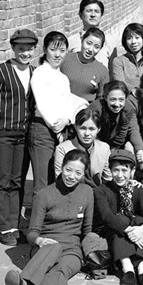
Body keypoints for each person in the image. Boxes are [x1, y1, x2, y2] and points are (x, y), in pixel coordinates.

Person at [4, 149, 94, 285]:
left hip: (72, 250)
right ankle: (22, 283)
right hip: (46, 247)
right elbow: (32, 232)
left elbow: (87, 229)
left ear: (84, 174)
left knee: (63, 267)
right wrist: (39, 240)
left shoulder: (87, 192)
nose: (71, 176)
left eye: (78, 173)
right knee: (55, 247)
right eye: (68, 170)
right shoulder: (44, 195)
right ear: (62, 167)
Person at [0, 28, 38, 246]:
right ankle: (4, 228)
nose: (25, 53)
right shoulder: (1, 71)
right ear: (13, 48)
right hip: (2, 135)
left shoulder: (35, 72)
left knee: (17, 182)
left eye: (29, 49)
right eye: (21, 48)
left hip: (24, 135)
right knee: (2, 182)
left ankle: (15, 226)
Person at [30, 31, 87, 196]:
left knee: (56, 178)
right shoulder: (40, 73)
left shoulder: (62, 77)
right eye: (53, 49)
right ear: (44, 50)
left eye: (62, 51)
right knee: (42, 182)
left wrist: (68, 119)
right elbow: (43, 104)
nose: (57, 55)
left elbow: (68, 103)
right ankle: (38, 213)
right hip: (43, 129)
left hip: (60, 129)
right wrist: (57, 128)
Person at [93, 150, 143, 285]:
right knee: (121, 219)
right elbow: (107, 216)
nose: (120, 175)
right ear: (110, 170)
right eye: (116, 170)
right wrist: (130, 231)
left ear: (132, 171)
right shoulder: (101, 190)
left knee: (139, 220)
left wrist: (141, 230)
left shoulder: (139, 189)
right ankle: (127, 268)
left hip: (135, 230)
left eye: (124, 170)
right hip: (112, 231)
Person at [54, 108, 111, 188]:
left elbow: (107, 178)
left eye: (92, 129)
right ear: (75, 127)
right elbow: (60, 179)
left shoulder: (104, 148)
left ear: (98, 129)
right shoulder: (62, 149)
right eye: (83, 128)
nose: (87, 133)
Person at [61, 27, 109, 103]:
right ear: (82, 40)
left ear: (100, 49)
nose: (90, 49)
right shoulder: (64, 59)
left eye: (96, 47)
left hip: (85, 109)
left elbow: (102, 99)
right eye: (88, 43)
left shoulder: (102, 71)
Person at [67, 0, 116, 68]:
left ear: (101, 15)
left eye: (97, 11)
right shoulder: (71, 41)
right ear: (80, 15)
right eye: (89, 11)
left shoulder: (109, 40)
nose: (93, 15)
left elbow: (113, 69)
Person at [89, 81, 137, 150]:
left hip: (112, 143)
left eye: (121, 100)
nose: (117, 104)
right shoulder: (95, 109)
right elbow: (90, 130)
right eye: (113, 99)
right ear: (106, 98)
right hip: (94, 140)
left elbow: (121, 134)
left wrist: (113, 151)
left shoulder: (127, 109)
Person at [111, 23, 143, 93]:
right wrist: (134, 91)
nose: (133, 42)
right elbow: (120, 83)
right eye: (129, 38)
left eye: (137, 37)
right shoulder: (118, 61)